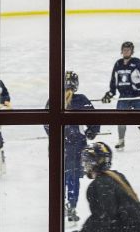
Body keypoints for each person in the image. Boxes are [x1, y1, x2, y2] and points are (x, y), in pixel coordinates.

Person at [48, 71, 101, 223]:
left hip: (63, 146)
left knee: (62, 176)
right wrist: (92, 131)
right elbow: (94, 119)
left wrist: (55, 134)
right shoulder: (79, 99)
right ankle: (70, 205)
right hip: (74, 146)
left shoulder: (54, 99)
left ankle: (63, 205)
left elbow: (46, 123)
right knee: (72, 177)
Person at [81, 141, 140, 232]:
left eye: (88, 161)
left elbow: (104, 218)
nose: (85, 165)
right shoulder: (116, 176)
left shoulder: (100, 184)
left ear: (98, 162)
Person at [103, 41, 140, 150]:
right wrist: (110, 93)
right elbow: (114, 80)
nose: (126, 51)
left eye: (128, 50)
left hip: (138, 96)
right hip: (124, 96)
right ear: (121, 51)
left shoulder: (137, 62)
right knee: (120, 119)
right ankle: (121, 141)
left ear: (132, 51)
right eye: (124, 49)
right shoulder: (118, 64)